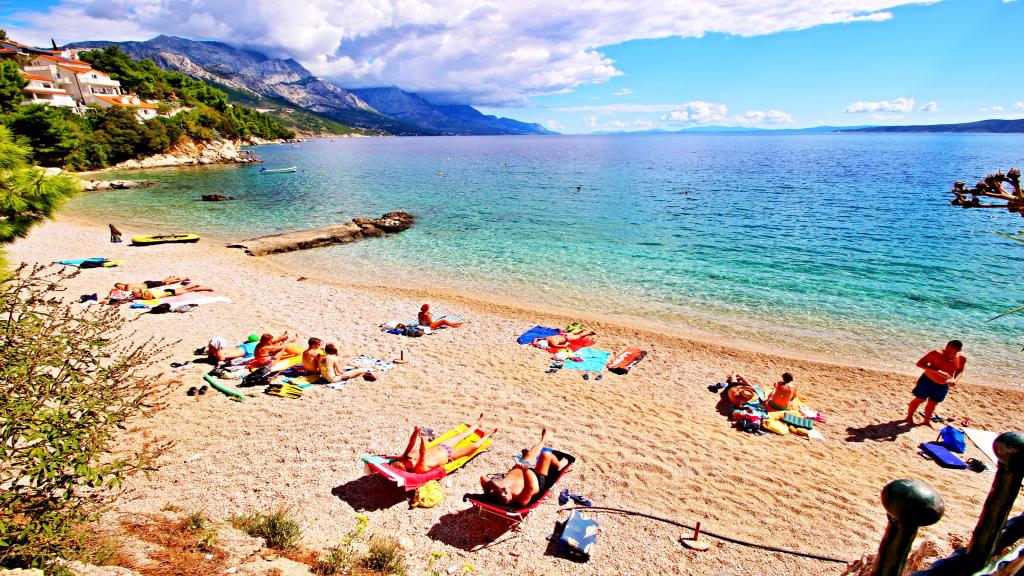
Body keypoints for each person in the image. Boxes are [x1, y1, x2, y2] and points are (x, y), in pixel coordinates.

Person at [479, 428, 565, 506]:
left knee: (530, 454)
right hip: (536, 476)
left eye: (500, 498)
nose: (504, 498)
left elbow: (483, 478)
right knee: (546, 455)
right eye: (505, 500)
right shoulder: (521, 499)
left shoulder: (496, 491)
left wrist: (498, 489)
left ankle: (543, 441)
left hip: (520, 468)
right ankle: (558, 465)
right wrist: (524, 470)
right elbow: (530, 487)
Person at [391, 414, 495, 473]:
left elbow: (411, 442)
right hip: (449, 454)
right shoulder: (419, 468)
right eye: (407, 463)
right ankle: (488, 435)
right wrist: (422, 439)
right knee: (474, 447)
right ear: (408, 469)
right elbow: (423, 453)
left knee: (462, 435)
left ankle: (478, 424)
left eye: (404, 460)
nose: (409, 459)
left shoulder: (408, 456)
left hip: (440, 446)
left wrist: (415, 431)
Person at [906, 340, 967, 427]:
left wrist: (955, 380)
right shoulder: (936, 353)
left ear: (958, 350)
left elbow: (960, 371)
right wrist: (937, 371)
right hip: (927, 380)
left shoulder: (962, 358)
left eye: (951, 349)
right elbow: (919, 364)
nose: (947, 350)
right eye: (947, 347)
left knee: (933, 403)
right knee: (919, 399)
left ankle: (926, 421)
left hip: (943, 385)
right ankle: (908, 417)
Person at [531, 326, 596, 350]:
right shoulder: (546, 338)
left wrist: (566, 344)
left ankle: (589, 331)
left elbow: (563, 346)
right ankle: (582, 329)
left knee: (579, 336)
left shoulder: (553, 344)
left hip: (566, 338)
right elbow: (536, 338)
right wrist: (535, 343)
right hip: (562, 334)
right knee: (572, 332)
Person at [131, 284, 212, 301]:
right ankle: (195, 285)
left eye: (135, 294)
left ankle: (203, 288)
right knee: (182, 289)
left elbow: (149, 298)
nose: (135, 295)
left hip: (169, 293)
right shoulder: (144, 292)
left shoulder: (146, 293)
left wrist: (140, 298)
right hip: (167, 291)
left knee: (186, 291)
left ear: (139, 293)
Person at [112, 277, 189, 293]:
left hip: (149, 285)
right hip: (147, 284)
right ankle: (174, 278)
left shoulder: (127, 287)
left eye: (119, 286)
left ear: (121, 284)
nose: (119, 288)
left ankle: (183, 279)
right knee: (163, 281)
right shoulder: (126, 286)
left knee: (166, 283)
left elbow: (128, 291)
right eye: (118, 287)